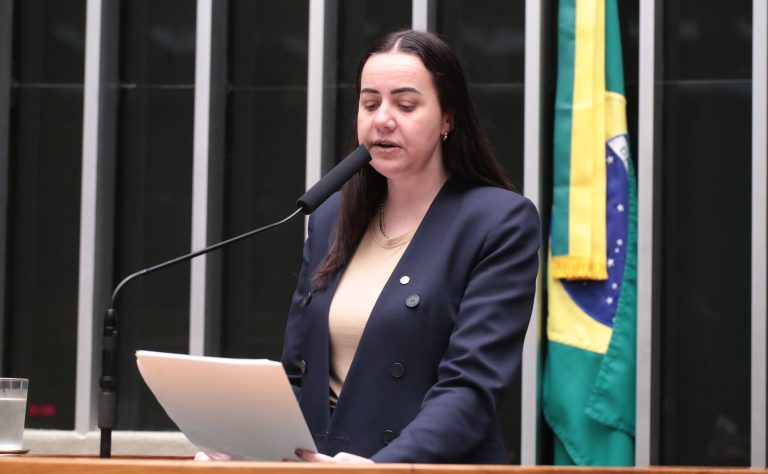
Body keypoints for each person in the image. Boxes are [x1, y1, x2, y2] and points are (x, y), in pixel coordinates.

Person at [282, 29, 540, 464]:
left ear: (447, 119)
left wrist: (382, 468)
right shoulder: (330, 216)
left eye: (405, 105)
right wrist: (243, 445)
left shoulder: (498, 221)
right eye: (370, 104)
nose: (382, 119)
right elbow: (296, 375)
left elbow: (469, 389)